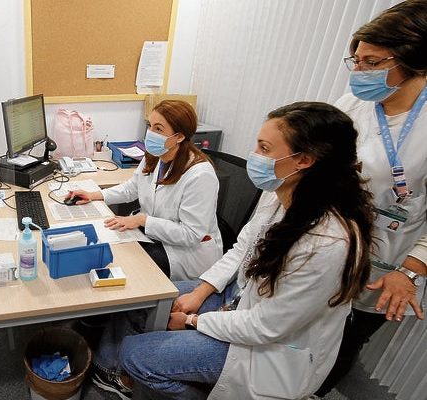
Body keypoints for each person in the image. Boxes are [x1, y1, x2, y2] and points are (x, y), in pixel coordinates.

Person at [92, 102, 374, 400]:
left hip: (266, 348)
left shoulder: (326, 243)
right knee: (143, 297)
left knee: (136, 353)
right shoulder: (280, 195)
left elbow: (265, 326)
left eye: (264, 148)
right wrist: (200, 293)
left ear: (302, 160)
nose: (255, 156)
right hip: (238, 298)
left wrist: (193, 320)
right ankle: (118, 372)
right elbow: (242, 248)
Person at [316, 1, 427, 395]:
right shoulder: (354, 106)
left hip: (390, 261)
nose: (358, 73)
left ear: (411, 60)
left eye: (371, 62)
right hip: (334, 242)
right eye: (356, 61)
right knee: (311, 331)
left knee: (344, 343)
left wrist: (409, 272)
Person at [66, 100, 222, 280]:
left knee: (129, 269)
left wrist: (142, 220)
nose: (150, 133)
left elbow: (191, 234)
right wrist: (95, 195)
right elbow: (132, 188)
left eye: (159, 129)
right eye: (150, 126)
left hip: (185, 253)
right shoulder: (155, 155)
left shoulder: (200, 175)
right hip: (155, 237)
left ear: (179, 137)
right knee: (109, 248)